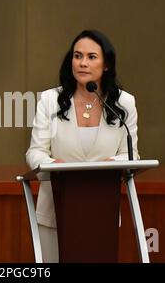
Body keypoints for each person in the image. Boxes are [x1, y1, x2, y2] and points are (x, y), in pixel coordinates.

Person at [26, 29, 139, 262]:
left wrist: (111, 164)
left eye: (91, 57)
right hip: (56, 210)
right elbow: (35, 151)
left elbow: (131, 155)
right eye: (77, 56)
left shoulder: (124, 103)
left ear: (106, 64)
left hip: (101, 211)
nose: (83, 63)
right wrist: (52, 165)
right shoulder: (50, 100)